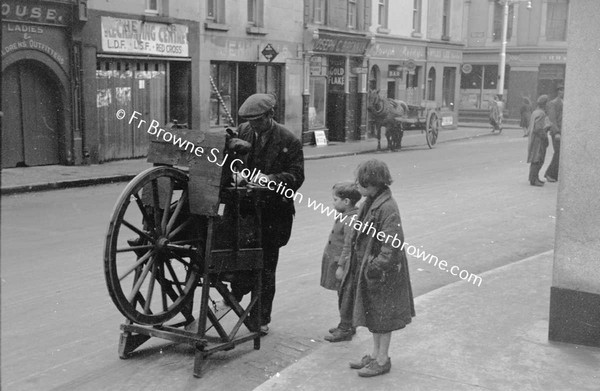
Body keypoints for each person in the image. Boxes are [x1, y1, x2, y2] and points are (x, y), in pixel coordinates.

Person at [229, 93, 305, 334]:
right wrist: (235, 173)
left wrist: (270, 179)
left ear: (271, 115)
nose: (253, 126)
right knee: (239, 257)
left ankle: (261, 319)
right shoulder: (242, 130)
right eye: (250, 121)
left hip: (273, 215)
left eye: (258, 121)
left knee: (265, 268)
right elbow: (231, 158)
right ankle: (237, 294)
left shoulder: (289, 140)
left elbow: (296, 176)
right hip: (245, 211)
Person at [347, 159, 415, 377]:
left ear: (372, 182)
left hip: (383, 273)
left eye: (361, 182)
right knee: (375, 315)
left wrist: (375, 267)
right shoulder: (373, 200)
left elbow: (392, 244)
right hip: (374, 269)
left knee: (383, 318)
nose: (356, 185)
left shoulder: (387, 207)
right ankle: (376, 354)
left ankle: (383, 359)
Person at [320, 182, 362, 343]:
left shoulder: (351, 219)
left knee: (345, 296)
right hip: (337, 262)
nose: (333, 202)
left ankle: (345, 328)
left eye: (335, 199)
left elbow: (348, 245)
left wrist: (341, 266)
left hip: (343, 264)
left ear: (346, 202)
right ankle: (346, 324)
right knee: (342, 294)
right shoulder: (346, 215)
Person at [527, 95, 553, 187]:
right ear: (544, 104)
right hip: (538, 140)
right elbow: (538, 128)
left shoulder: (535, 112)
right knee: (538, 158)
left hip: (533, 138)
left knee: (535, 158)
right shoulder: (541, 113)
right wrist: (545, 137)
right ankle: (534, 179)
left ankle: (533, 178)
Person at [544, 85, 564, 182]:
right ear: (558, 91)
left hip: (564, 132)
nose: (563, 92)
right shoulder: (553, 103)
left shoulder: (565, 102)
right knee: (558, 152)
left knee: (561, 153)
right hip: (557, 133)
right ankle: (549, 173)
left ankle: (555, 175)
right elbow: (552, 119)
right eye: (561, 90)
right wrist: (556, 132)